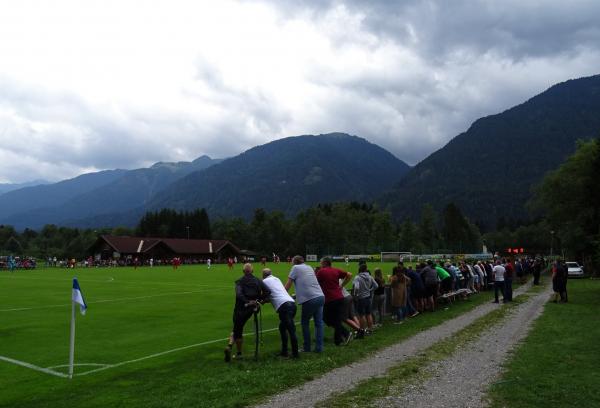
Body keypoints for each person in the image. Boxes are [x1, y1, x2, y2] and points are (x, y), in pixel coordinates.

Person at [224, 263, 271, 362]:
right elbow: (268, 291)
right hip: (251, 308)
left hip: (241, 308)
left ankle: (238, 353)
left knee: (238, 328)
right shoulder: (258, 280)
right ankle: (229, 346)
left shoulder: (240, 282)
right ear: (252, 271)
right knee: (237, 328)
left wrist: (248, 302)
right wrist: (258, 300)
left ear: (243, 271)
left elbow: (239, 294)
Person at [285, 255, 325, 353]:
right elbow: (307, 282)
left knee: (305, 322)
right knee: (319, 323)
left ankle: (307, 347)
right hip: (320, 296)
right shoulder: (309, 267)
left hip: (310, 299)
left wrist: (282, 294)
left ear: (294, 262)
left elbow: (288, 284)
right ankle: (319, 348)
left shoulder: (295, 268)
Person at [262, 268, 299, 358]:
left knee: (291, 330)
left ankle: (295, 354)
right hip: (292, 304)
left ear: (263, 275)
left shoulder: (264, 282)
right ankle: (284, 351)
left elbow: (266, 296)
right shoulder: (276, 279)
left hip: (284, 306)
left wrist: (261, 301)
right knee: (282, 327)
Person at [316, 257, 353, 345]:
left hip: (330, 298)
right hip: (339, 297)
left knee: (326, 318)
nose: (320, 264)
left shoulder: (321, 271)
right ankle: (340, 338)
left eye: (321, 263)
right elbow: (349, 274)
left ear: (325, 263)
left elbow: (315, 282)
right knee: (336, 319)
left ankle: (343, 336)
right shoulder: (335, 270)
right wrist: (342, 286)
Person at [352, 263, 378, 336]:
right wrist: (370, 290)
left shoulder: (357, 277)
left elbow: (356, 287)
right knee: (368, 314)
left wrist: (355, 295)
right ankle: (370, 329)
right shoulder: (370, 277)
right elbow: (376, 286)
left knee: (361, 315)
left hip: (361, 298)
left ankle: (362, 330)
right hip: (368, 298)